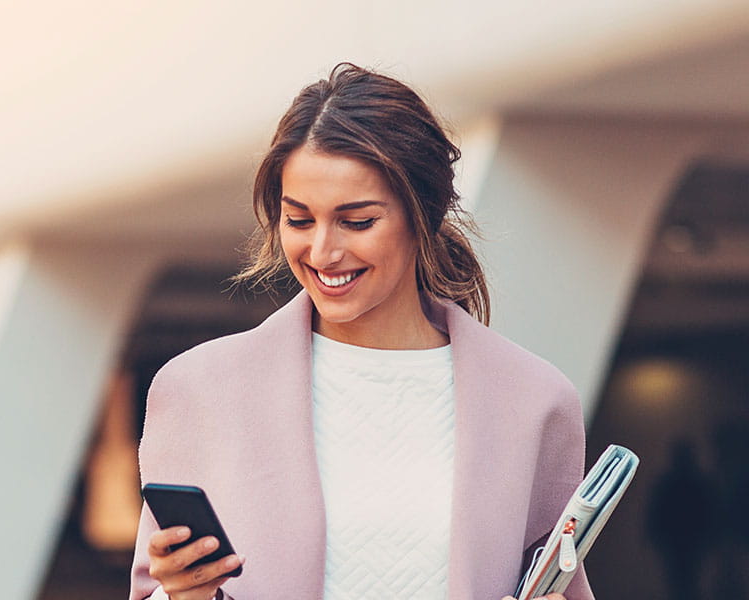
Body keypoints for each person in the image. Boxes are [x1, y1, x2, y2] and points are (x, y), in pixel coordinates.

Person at [127, 63, 593, 600]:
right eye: (299, 220)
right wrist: (186, 594)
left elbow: (560, 582)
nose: (323, 252)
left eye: (357, 221)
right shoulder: (198, 389)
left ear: (425, 214)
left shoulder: (535, 401)